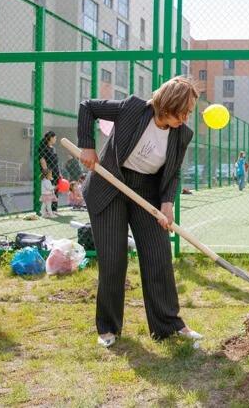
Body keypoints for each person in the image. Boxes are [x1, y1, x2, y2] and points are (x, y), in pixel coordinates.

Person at [76, 76, 203, 348]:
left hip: (147, 192)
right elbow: (88, 107)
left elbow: (173, 172)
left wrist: (167, 203)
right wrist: (87, 145)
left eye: (189, 112)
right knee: (113, 259)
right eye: (183, 111)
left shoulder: (182, 133)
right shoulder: (132, 108)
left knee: (158, 255)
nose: (186, 117)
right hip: (110, 185)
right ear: (168, 104)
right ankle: (108, 328)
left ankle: (169, 326)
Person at [38, 130, 62, 213]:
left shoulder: (53, 148)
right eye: (55, 138)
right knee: (48, 191)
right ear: (51, 138)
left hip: (56, 171)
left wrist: (59, 173)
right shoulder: (44, 148)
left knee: (55, 190)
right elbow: (42, 159)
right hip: (49, 172)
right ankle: (47, 210)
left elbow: (56, 162)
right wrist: (47, 172)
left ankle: (54, 209)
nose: (56, 139)